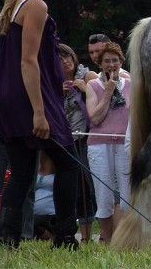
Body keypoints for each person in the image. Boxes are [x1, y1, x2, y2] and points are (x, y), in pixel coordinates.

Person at [0, 0, 79, 250]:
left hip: (8, 98)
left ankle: (7, 239)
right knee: (68, 163)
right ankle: (66, 236)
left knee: (20, 170)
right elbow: (28, 61)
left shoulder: (15, 3)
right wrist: (40, 112)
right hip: (30, 99)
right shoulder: (35, 5)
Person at [85, 41, 131, 243]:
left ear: (121, 62)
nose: (111, 64)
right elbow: (94, 118)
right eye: (107, 61)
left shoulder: (131, 84)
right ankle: (106, 236)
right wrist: (109, 92)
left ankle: (126, 238)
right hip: (99, 144)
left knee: (127, 194)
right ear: (100, 64)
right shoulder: (93, 85)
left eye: (115, 60)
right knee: (104, 195)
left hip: (124, 143)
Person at [58, 43, 96, 242]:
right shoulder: (54, 81)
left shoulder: (87, 76)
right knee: (69, 186)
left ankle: (87, 234)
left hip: (85, 138)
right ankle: (66, 228)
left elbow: (96, 111)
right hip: (63, 139)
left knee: (85, 185)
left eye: (68, 56)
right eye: (61, 58)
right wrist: (59, 94)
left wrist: (85, 90)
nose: (65, 61)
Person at [32, 151, 56, 241]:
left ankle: (52, 238)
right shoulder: (35, 167)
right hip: (34, 214)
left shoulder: (59, 169)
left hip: (51, 214)